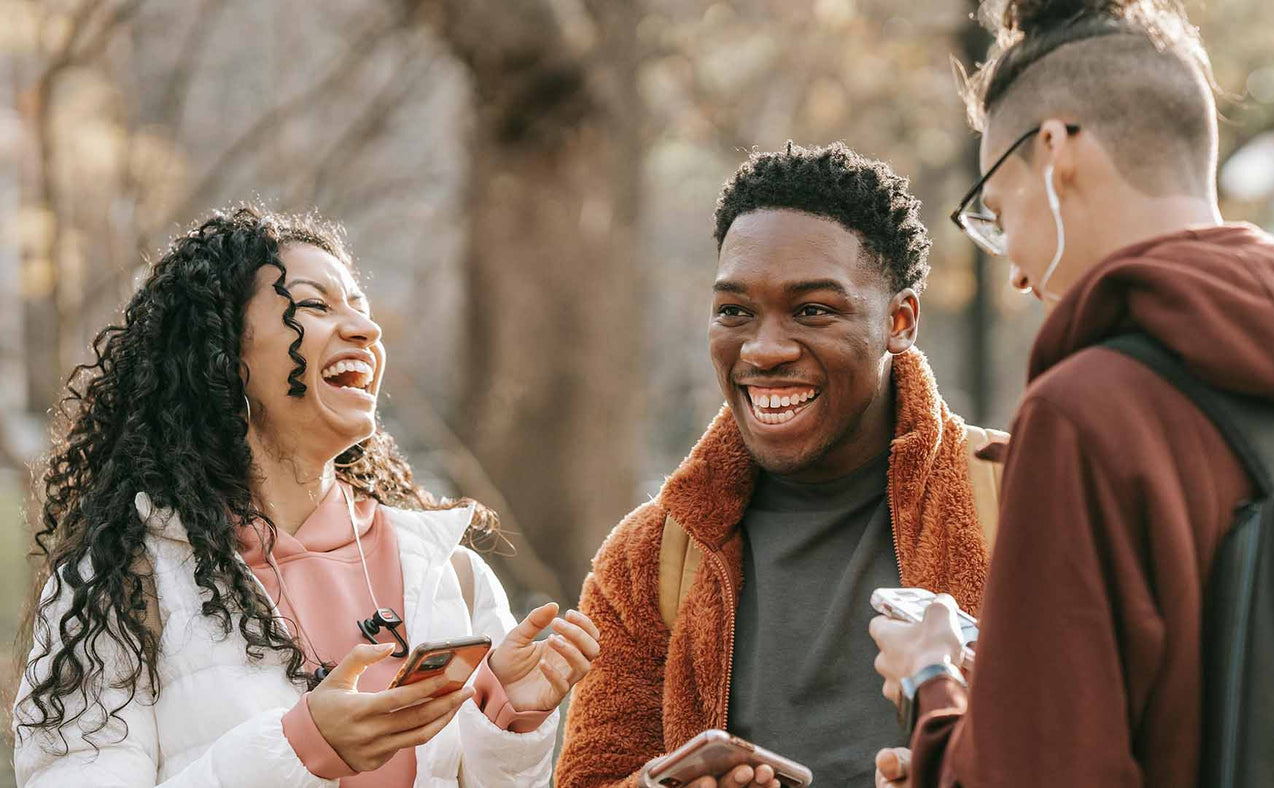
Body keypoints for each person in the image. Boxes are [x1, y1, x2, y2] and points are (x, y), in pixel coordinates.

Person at [868, 0, 1274, 785]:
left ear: (1054, 149)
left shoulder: (1084, 416)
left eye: (999, 215)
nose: (1013, 268)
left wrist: (932, 683)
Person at [11, 206, 600, 787]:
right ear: (222, 358)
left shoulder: (451, 573)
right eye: (315, 306)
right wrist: (301, 750)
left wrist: (509, 719)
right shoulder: (123, 583)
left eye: (361, 310)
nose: (366, 331)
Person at [556, 142, 1004, 788]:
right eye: (735, 311)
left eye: (813, 310)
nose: (763, 350)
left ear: (899, 321)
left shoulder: (1019, 500)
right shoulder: (648, 561)